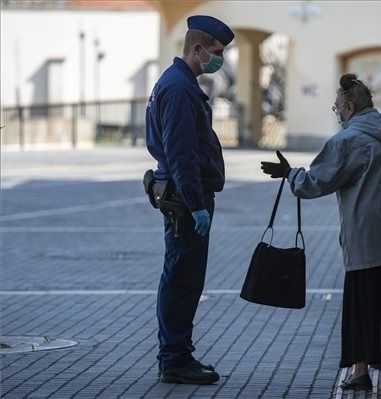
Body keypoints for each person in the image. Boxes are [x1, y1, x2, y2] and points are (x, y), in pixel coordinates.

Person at [261, 74, 381, 391]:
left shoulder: (347, 140)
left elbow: (317, 182)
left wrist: (290, 174)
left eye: (337, 107)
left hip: (368, 241)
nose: (337, 112)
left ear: (350, 106)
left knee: (363, 307)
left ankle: (360, 371)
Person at [145, 15, 234, 385]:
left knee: (183, 278)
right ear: (196, 49)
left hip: (181, 196)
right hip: (184, 201)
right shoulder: (180, 88)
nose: (219, 59)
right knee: (182, 279)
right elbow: (181, 154)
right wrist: (196, 205)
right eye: (215, 52)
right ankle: (175, 359)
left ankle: (179, 354)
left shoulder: (178, 82)